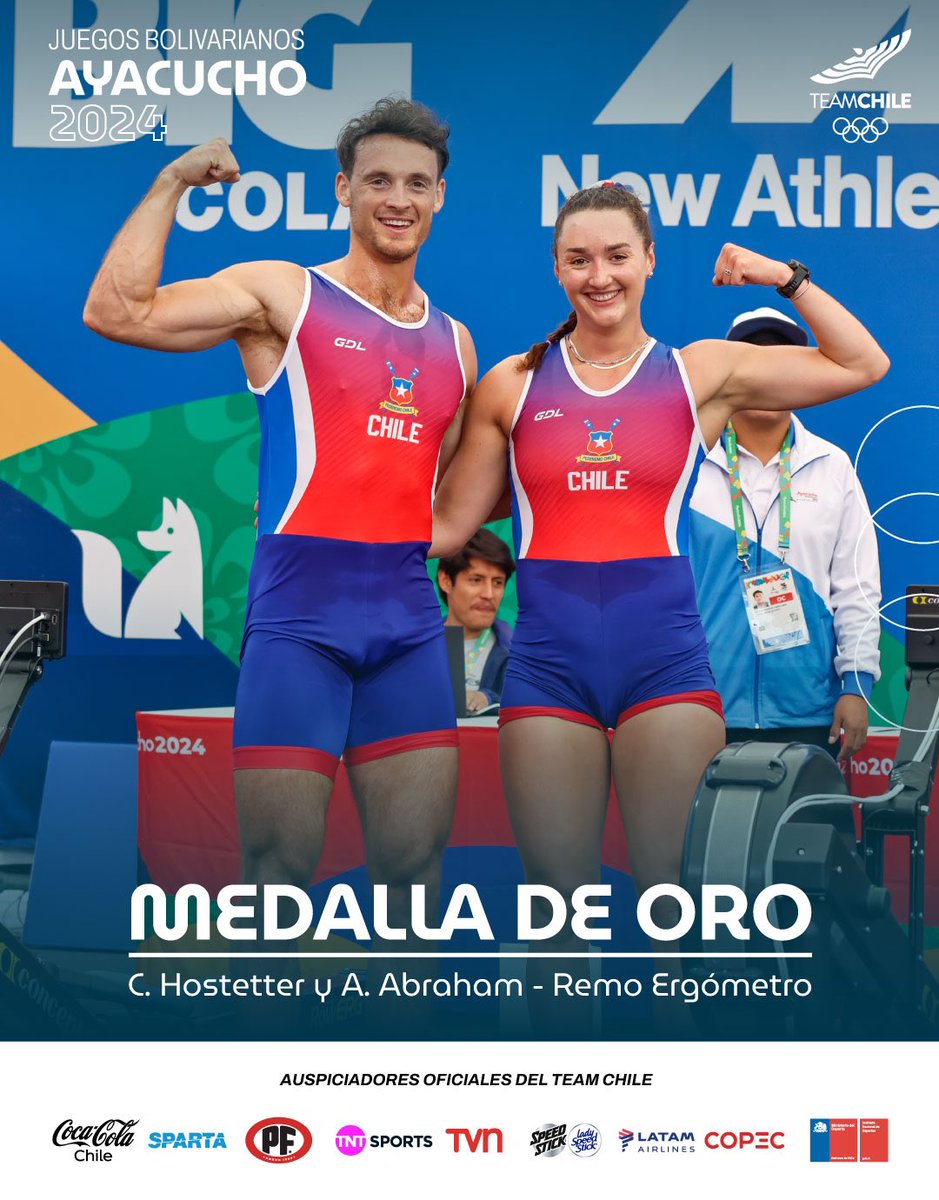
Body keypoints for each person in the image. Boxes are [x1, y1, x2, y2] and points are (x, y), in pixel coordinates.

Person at [431, 182, 888, 989]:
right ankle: (564, 1110)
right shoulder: (511, 382)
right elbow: (440, 527)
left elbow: (862, 362)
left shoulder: (699, 374)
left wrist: (779, 275)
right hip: (547, 672)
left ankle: (676, 1100)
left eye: (616, 256)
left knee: (674, 914)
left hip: (666, 670)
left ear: (648, 260)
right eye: (578, 259)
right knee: (556, 916)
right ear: (556, 269)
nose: (598, 275)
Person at [84, 99, 477, 945]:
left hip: (409, 633)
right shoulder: (284, 295)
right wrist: (169, 185)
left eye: (417, 182)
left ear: (441, 196)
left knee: (415, 887)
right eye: (377, 180)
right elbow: (118, 312)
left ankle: (403, 1082)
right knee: (276, 884)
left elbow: (436, 501)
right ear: (343, 189)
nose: (397, 198)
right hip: (300, 625)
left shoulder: (457, 344)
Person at [690, 307, 881, 761]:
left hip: (808, 715)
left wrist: (856, 685)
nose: (767, 375)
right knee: (699, 835)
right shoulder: (689, 460)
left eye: (782, 362)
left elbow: (857, 588)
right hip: (698, 709)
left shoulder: (832, 467)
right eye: (752, 361)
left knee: (801, 834)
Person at [437, 528, 515, 711]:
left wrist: (491, 699)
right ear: (446, 580)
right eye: (476, 580)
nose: (489, 594)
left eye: (497, 582)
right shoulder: (416, 647)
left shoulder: (520, 654)